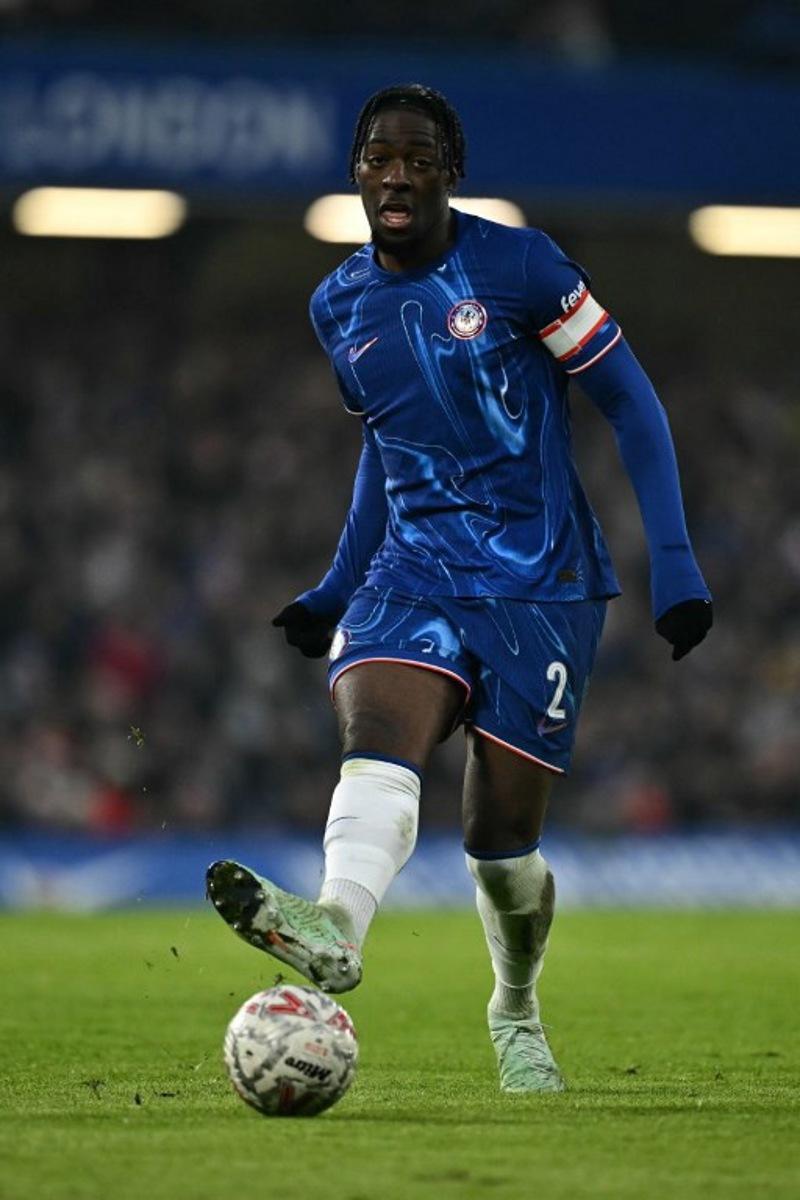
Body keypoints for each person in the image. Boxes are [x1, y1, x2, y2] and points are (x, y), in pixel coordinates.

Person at [207, 83, 712, 1093]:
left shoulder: (522, 268)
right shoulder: (337, 304)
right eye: (377, 158)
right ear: (356, 173)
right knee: (376, 731)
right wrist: (334, 586)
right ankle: (333, 927)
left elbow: (631, 404)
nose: (395, 175)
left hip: (541, 577)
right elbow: (382, 448)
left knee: (498, 846)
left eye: (417, 158)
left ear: (449, 172)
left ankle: (513, 1007)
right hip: (415, 564)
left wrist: (677, 564)